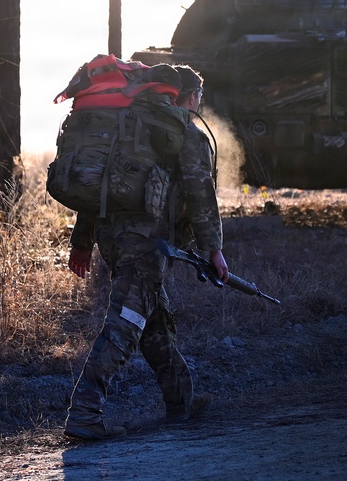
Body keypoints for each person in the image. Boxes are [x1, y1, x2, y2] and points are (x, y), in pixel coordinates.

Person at [63, 64, 229, 441]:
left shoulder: (124, 127)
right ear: (188, 96)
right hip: (147, 243)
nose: (199, 102)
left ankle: (180, 399)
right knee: (125, 323)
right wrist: (214, 250)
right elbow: (201, 196)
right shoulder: (185, 133)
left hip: (112, 239)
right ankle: (84, 412)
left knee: (153, 318)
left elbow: (97, 190)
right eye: (199, 95)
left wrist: (83, 241)